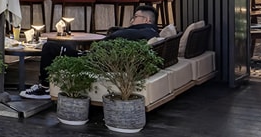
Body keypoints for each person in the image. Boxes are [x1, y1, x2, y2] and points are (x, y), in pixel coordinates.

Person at [22, 6, 162, 99]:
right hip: (100, 58)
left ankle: (44, 88)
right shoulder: (149, 32)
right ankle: (46, 85)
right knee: (59, 47)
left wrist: (111, 36)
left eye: (135, 17)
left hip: (96, 62)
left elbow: (119, 35)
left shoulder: (145, 31)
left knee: (49, 47)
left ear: (146, 20)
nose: (132, 20)